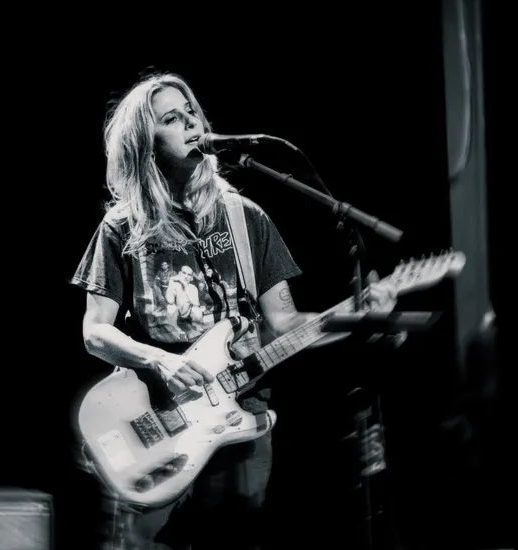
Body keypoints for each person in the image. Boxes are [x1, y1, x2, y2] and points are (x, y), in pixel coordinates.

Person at [69, 71, 398, 550]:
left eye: (191, 113)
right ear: (144, 143)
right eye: (171, 118)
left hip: (241, 423)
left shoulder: (245, 217)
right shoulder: (123, 227)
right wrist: (159, 359)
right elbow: (95, 332)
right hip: (155, 421)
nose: (190, 124)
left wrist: (356, 315)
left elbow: (284, 324)